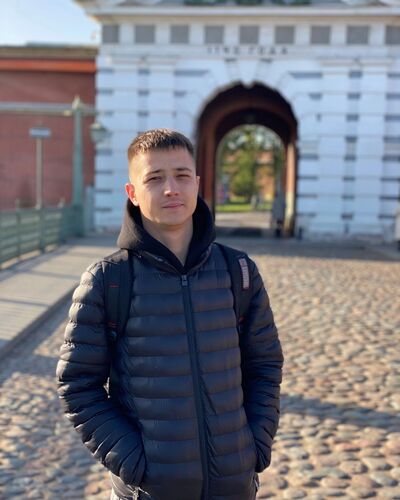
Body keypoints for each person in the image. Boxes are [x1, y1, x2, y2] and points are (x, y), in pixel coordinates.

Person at [56, 129, 284, 500]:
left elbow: (265, 364)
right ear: (132, 192)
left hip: (234, 486)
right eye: (154, 178)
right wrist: (135, 463)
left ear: (197, 183)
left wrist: (254, 444)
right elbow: (77, 384)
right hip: (148, 491)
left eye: (181, 175)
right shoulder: (108, 280)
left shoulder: (238, 271)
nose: (171, 189)